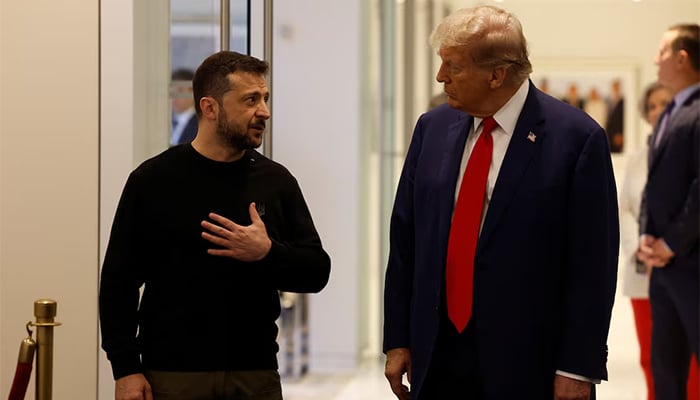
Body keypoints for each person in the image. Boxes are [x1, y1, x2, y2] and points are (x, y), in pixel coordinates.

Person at [383, 6, 619, 399]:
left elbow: (593, 264)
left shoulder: (576, 139)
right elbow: (405, 240)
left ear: (497, 74)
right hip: (437, 352)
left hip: (530, 362)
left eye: (453, 66)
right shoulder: (433, 128)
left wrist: (578, 367)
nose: (441, 77)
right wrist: (398, 339)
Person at [99, 51, 331, 400]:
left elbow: (317, 271)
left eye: (265, 98)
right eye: (250, 100)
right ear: (209, 108)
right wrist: (126, 368)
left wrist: (266, 253)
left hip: (254, 374)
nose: (264, 111)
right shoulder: (153, 180)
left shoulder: (275, 181)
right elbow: (119, 282)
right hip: (170, 375)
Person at [620, 82, 699, 400]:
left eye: (665, 103)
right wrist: (640, 247)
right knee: (653, 358)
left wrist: (670, 247)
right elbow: (627, 208)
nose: (658, 110)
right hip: (644, 270)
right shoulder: (639, 158)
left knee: (688, 359)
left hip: (684, 265)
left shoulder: (691, 148)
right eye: (652, 105)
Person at [637, 23, 700, 400]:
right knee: (665, 368)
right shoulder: (670, 112)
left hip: (690, 262)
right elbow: (654, 184)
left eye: (662, 52)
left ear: (682, 57)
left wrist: (672, 242)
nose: (656, 60)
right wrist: (647, 234)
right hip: (664, 268)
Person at [170, 68, 199, 146]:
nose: (174, 96)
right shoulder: (162, 122)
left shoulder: (201, 124)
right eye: (171, 91)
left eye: (180, 90)